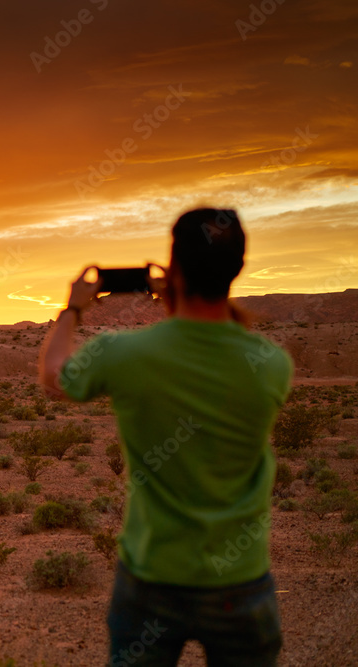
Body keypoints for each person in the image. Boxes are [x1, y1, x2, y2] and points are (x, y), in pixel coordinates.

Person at [38, 208, 293, 667]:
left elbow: (54, 375)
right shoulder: (271, 364)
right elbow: (223, 342)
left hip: (152, 577)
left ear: (174, 266)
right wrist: (176, 293)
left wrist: (73, 308)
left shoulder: (123, 353)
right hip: (239, 579)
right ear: (236, 268)